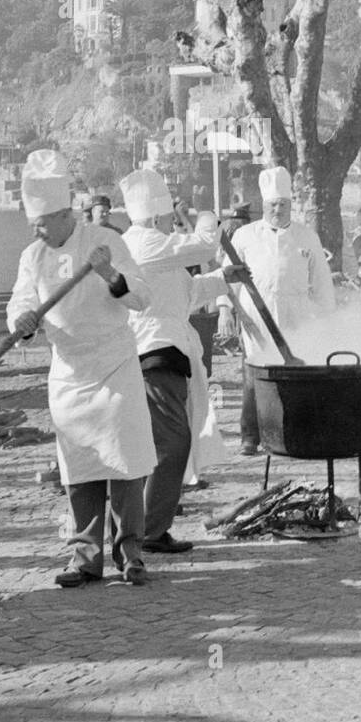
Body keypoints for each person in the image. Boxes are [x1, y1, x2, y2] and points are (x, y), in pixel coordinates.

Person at [7, 151, 156, 588]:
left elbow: (142, 297)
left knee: (126, 463)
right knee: (80, 465)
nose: (36, 230)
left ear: (63, 214)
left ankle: (131, 554)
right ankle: (85, 558)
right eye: (33, 223)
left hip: (115, 363)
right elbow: (20, 300)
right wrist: (22, 320)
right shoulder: (33, 256)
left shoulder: (104, 241)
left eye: (42, 222)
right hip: (69, 371)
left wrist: (111, 276)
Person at [119, 169, 228, 553]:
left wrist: (225, 277)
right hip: (153, 354)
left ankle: (150, 526)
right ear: (153, 218)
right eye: (167, 218)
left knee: (165, 443)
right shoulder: (144, 243)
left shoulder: (158, 251)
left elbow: (186, 293)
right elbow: (202, 246)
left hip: (167, 352)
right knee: (171, 443)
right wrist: (208, 216)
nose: (170, 223)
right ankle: (149, 530)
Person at [225, 166, 335, 456]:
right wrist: (226, 310)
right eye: (273, 204)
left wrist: (327, 317)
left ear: (290, 205)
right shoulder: (245, 236)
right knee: (255, 374)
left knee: (296, 373)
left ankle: (294, 432)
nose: (278, 209)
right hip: (256, 313)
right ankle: (250, 435)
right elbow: (226, 276)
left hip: (296, 312)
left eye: (283, 204)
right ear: (264, 205)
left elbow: (322, 282)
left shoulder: (306, 236)